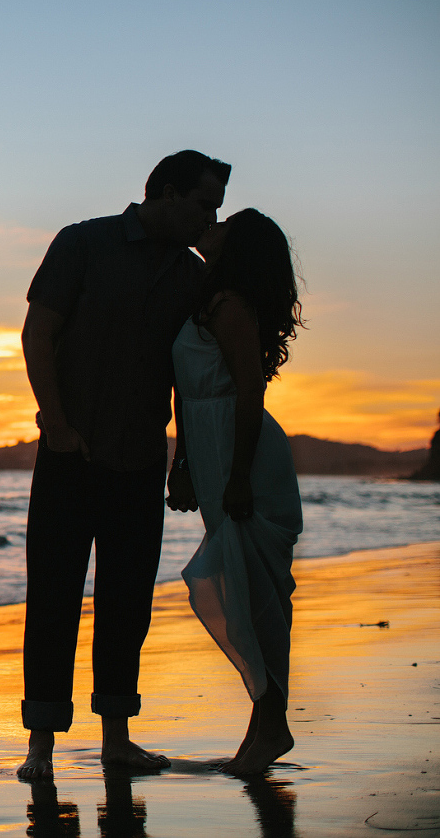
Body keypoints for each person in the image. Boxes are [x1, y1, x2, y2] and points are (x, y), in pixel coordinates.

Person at [18, 150, 230, 780]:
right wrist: (55, 423)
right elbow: (38, 332)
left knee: (127, 603)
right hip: (67, 455)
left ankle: (116, 740)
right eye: (203, 204)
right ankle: (41, 748)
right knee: (52, 600)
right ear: (166, 193)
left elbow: (192, 378)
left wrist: (184, 461)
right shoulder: (85, 242)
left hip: (140, 462)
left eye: (215, 209)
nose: (209, 218)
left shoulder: (193, 277)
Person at [166, 208, 304, 774]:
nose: (211, 226)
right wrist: (184, 464)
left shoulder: (227, 306)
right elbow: (185, 392)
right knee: (248, 592)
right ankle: (266, 724)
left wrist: (239, 475)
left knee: (254, 593)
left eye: (224, 225)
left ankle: (272, 724)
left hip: (240, 453)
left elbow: (250, 392)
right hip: (213, 448)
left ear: (237, 248)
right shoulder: (211, 298)